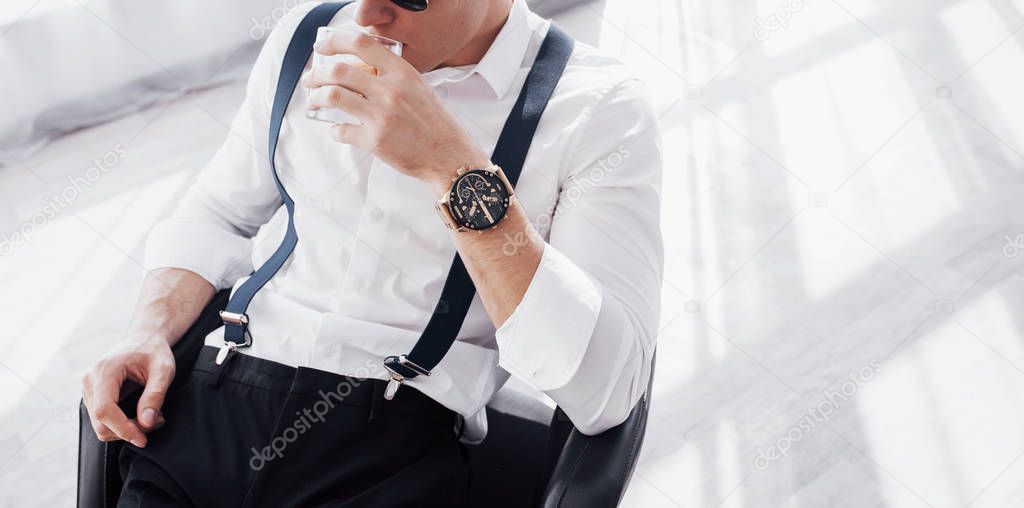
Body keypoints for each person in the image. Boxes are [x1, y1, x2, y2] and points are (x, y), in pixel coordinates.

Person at [81, 0, 663, 505]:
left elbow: (605, 394)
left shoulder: (597, 108)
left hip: (390, 440)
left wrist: (450, 166)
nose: (365, 16)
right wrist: (149, 327)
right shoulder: (304, 39)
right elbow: (219, 210)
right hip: (214, 400)